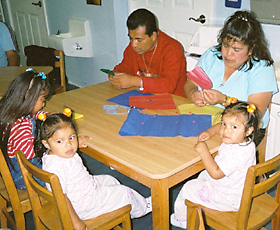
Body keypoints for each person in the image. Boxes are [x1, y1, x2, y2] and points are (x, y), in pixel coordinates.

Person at [35, 112, 152, 230]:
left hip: (83, 189)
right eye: (60, 141)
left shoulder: (55, 153)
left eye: (71, 137)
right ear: (46, 143)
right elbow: (62, 198)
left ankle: (120, 207)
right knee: (123, 192)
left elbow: (65, 142)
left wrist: (73, 141)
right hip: (83, 206)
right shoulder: (57, 167)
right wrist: (76, 223)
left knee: (109, 179)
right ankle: (142, 208)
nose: (69, 145)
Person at [184, 11, 278, 144]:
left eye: (236, 49)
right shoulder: (212, 55)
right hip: (209, 117)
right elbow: (190, 84)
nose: (228, 54)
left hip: (242, 130)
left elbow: (254, 114)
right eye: (225, 45)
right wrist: (194, 94)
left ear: (251, 49)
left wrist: (224, 100)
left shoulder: (261, 68)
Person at [171, 100, 261, 228]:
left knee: (188, 187)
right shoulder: (246, 143)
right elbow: (220, 126)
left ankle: (182, 220)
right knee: (202, 175)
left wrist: (204, 151)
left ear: (248, 131)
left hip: (227, 199)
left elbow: (216, 173)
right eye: (224, 124)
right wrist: (210, 132)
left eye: (234, 127)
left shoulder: (236, 153)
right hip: (234, 188)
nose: (226, 131)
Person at [0, 69, 90, 189]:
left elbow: (33, 114)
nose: (43, 104)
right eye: (42, 100)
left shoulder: (13, 111)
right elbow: (29, 155)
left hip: (15, 169)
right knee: (71, 175)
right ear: (28, 97)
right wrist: (70, 142)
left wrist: (45, 115)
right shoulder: (21, 127)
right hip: (25, 176)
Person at [109, 8, 187, 97]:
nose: (133, 44)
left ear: (153, 36)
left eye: (139, 40)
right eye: (131, 38)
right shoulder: (135, 47)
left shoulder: (173, 48)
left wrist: (134, 81)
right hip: (143, 97)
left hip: (173, 100)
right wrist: (115, 76)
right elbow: (124, 68)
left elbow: (168, 86)